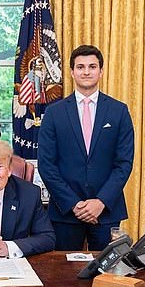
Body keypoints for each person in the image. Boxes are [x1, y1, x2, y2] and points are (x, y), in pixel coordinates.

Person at [37, 44, 134, 251]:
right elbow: (46, 165)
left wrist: (100, 202)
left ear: (101, 71)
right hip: (65, 211)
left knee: (106, 274)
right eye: (80, 67)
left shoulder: (119, 111)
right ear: (72, 72)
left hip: (106, 210)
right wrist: (74, 204)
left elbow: (123, 164)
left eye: (92, 66)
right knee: (63, 273)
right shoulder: (54, 113)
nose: (86, 71)